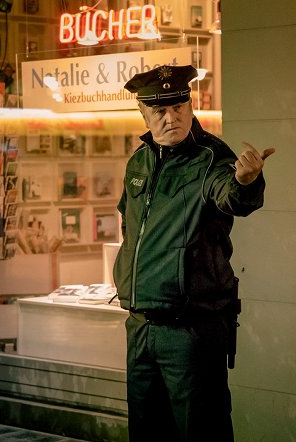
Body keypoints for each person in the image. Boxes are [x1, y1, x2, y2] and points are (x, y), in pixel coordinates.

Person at [113, 64, 275, 442]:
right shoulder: (139, 161)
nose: (172, 118)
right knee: (147, 430)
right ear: (143, 114)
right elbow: (130, 226)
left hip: (192, 329)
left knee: (202, 430)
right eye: (160, 111)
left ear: (190, 104)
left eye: (179, 107)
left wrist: (246, 180)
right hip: (140, 326)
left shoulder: (212, 157)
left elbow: (232, 194)